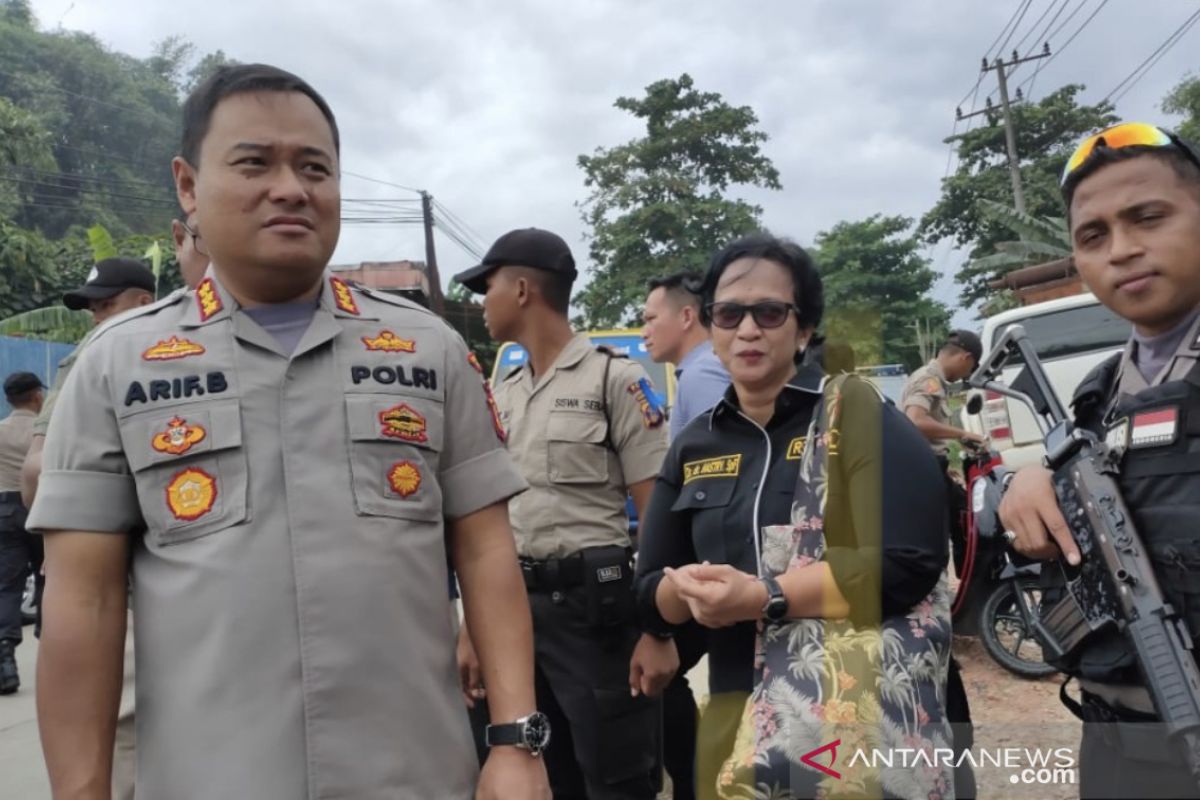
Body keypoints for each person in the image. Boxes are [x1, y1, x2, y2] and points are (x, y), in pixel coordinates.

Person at [27, 63, 549, 800]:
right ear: (188, 186)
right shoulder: (118, 363)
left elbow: (488, 550)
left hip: (415, 773)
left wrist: (515, 741)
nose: (291, 188)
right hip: (209, 778)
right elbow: (83, 600)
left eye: (315, 168)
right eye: (254, 163)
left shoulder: (426, 348)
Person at [635, 233, 954, 799]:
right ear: (710, 325)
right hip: (743, 722)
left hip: (863, 719)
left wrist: (762, 596)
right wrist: (684, 591)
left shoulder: (856, 417)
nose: (748, 329)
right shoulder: (695, 444)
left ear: (803, 327)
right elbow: (650, 586)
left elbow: (907, 564)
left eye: (770, 312)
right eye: (729, 313)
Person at [998, 122, 1200, 799]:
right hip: (1118, 743)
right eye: (1094, 236)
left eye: (1149, 217)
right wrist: (1033, 477)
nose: (1122, 250)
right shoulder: (1101, 392)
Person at [454, 228, 673, 800]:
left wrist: (655, 628)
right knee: (533, 773)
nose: (483, 301)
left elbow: (658, 517)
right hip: (515, 614)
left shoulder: (615, 379)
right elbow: (488, 524)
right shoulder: (502, 393)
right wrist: (472, 631)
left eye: (489, 286)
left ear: (522, 289)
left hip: (594, 617)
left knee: (616, 778)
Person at [641, 270, 730, 799]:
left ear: (687, 317)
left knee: (656, 668)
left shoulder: (702, 378)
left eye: (652, 318)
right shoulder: (694, 375)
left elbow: (723, 474)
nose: (645, 329)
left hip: (709, 566)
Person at [642, 271, 730, 439]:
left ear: (686, 317)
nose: (644, 333)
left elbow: (719, 458)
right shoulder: (709, 365)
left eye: (651, 319)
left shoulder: (702, 374)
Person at [0, 372, 45, 694]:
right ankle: (53, 654)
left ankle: (5, 659)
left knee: (8, 586)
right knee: (52, 581)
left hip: (4, 511)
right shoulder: (47, 430)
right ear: (36, 396)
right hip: (43, 508)